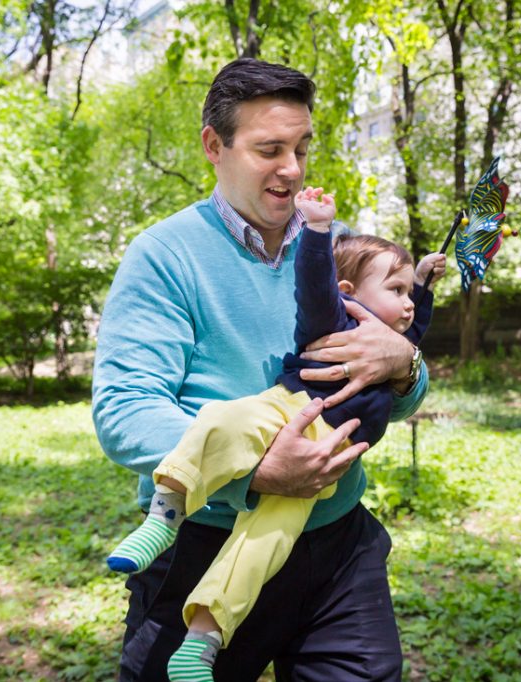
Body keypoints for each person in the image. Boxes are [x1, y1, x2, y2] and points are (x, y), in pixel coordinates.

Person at [92, 57, 430, 682]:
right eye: (269, 148)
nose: (293, 169)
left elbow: (397, 388)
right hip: (205, 544)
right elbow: (125, 412)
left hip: (336, 547)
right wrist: (255, 469)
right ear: (213, 146)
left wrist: (404, 362)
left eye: (302, 146)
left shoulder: (341, 245)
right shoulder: (164, 256)